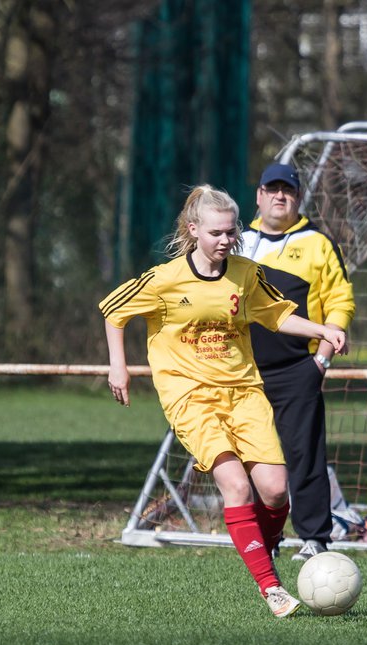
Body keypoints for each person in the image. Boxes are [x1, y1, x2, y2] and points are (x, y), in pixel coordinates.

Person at [102, 184, 346, 617]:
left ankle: (263, 550)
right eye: (216, 233)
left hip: (244, 392)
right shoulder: (165, 279)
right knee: (235, 485)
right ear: (194, 230)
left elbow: (278, 314)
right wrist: (117, 366)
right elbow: (114, 310)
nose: (225, 240)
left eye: (231, 232)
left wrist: (322, 331)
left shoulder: (246, 273)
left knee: (273, 490)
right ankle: (270, 588)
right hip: (190, 396)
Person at [240, 163, 355, 562]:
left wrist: (320, 362)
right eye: (271, 189)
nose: (279, 196)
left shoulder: (317, 243)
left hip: (297, 371)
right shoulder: (236, 242)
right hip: (243, 372)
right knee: (253, 457)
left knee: (305, 454)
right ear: (258, 195)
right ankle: (261, 537)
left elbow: (341, 300)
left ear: (297, 196)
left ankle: (315, 538)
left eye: (286, 190)